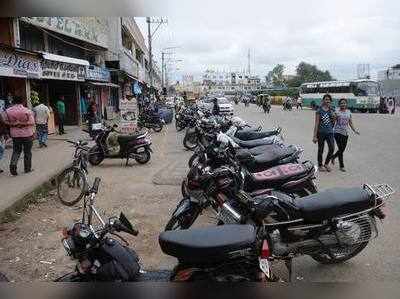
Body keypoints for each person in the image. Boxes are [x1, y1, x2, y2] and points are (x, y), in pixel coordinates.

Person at [1, 96, 35, 176]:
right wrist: (21, 123)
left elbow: (3, 120)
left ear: (13, 102)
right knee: (27, 152)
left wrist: (12, 124)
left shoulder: (8, 111)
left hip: (15, 134)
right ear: (23, 102)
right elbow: (32, 122)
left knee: (16, 151)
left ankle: (13, 165)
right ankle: (27, 169)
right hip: (27, 134)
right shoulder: (27, 110)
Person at [331, 98, 360, 172]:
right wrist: (334, 117)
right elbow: (333, 122)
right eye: (341, 103)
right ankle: (342, 166)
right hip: (337, 132)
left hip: (345, 133)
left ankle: (333, 157)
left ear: (346, 104)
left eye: (344, 103)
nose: (343, 104)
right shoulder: (336, 112)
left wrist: (354, 130)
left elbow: (350, 122)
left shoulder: (349, 112)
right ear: (339, 104)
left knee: (342, 149)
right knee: (341, 149)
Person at [313, 94, 336, 172]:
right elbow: (316, 123)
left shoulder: (332, 110)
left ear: (330, 101)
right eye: (326, 99)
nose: (327, 101)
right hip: (321, 133)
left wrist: (334, 116)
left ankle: (326, 164)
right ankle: (320, 165)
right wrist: (314, 136)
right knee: (321, 149)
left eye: (329, 100)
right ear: (323, 101)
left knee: (332, 148)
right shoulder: (319, 110)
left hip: (330, 133)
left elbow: (334, 122)